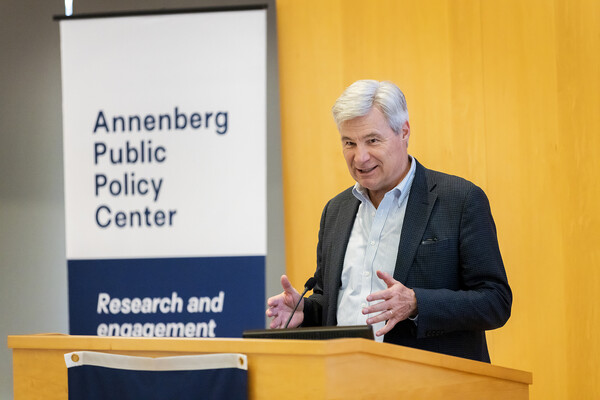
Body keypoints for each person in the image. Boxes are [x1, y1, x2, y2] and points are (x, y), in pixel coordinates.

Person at [266, 80, 511, 362]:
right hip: (347, 381)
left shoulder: (460, 200)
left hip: (432, 384)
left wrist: (418, 303)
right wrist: (305, 311)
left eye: (372, 140)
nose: (360, 157)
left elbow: (496, 301)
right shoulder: (335, 210)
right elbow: (335, 300)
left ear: (404, 131)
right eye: (349, 143)